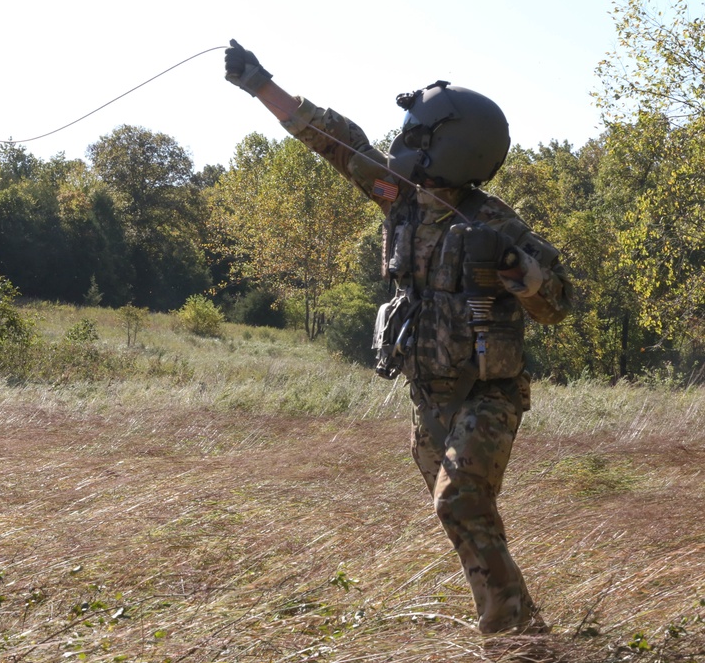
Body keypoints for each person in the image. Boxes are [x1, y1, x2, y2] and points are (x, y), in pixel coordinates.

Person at [224, 40, 572, 636]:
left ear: (453, 149)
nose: (404, 143)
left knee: (458, 502)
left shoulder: (496, 226)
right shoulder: (400, 201)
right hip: (428, 397)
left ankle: (509, 641)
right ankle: (526, 630)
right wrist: (261, 86)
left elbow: (559, 303)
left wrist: (523, 274)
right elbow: (337, 143)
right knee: (472, 519)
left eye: (418, 135)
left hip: (486, 397)